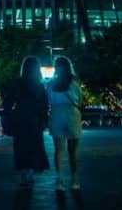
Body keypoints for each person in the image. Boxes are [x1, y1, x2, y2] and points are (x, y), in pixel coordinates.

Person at [4, 56, 50, 187]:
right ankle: (30, 172)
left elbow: (7, 102)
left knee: (21, 147)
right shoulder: (39, 85)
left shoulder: (17, 83)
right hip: (34, 120)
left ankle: (24, 173)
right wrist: (43, 120)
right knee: (34, 147)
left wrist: (10, 115)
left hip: (20, 119)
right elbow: (44, 105)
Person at [47, 56, 83, 191]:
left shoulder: (51, 84)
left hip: (56, 114)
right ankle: (74, 180)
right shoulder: (74, 84)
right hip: (72, 114)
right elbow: (80, 100)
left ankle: (59, 179)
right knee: (73, 151)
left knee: (58, 150)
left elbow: (48, 99)